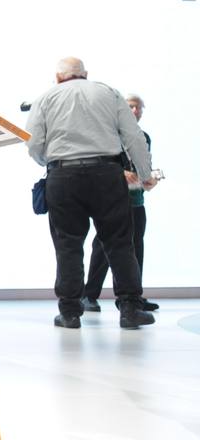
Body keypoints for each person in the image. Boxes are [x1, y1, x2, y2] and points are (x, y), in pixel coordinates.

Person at [26, 58, 155, 330]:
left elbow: (34, 144)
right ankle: (130, 309)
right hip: (107, 174)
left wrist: (50, 161)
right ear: (85, 75)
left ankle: (70, 313)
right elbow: (134, 137)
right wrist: (144, 174)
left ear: (58, 77)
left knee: (68, 244)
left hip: (63, 176)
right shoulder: (108, 92)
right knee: (120, 242)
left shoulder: (45, 98)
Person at [83, 93, 156, 313]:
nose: (136, 111)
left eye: (139, 108)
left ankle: (134, 297)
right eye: (132, 107)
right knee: (103, 248)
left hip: (136, 201)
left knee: (136, 248)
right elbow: (99, 164)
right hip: (110, 202)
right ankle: (89, 295)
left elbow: (143, 166)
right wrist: (119, 173)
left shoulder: (144, 137)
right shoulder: (109, 135)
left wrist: (149, 179)